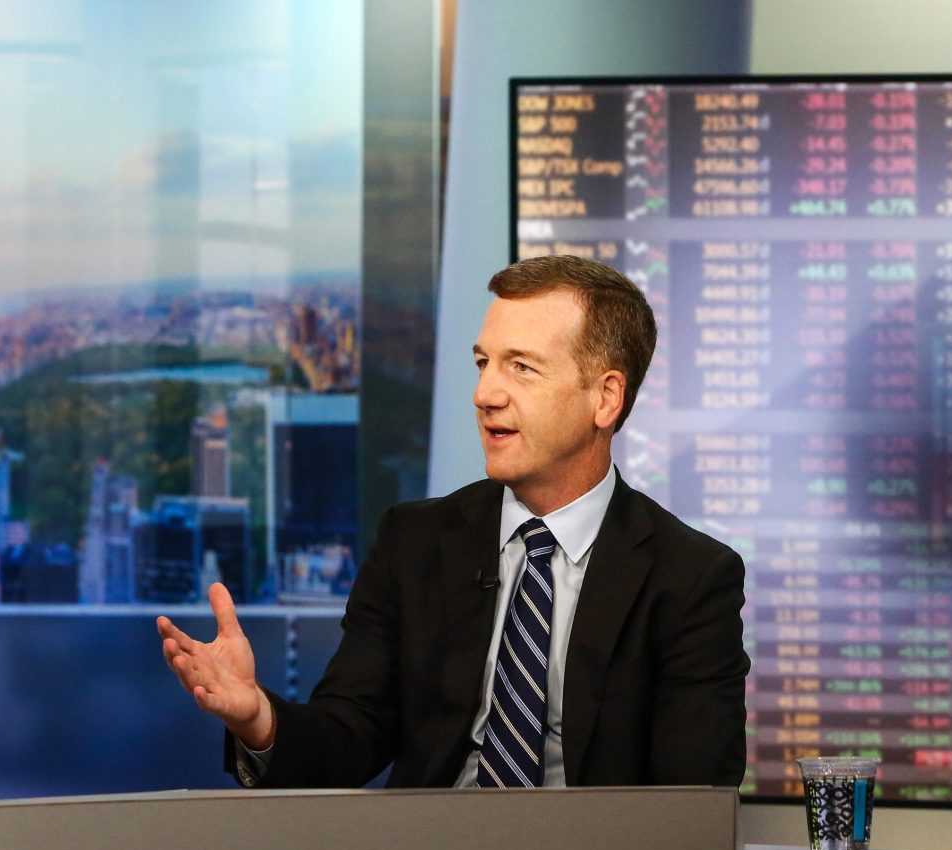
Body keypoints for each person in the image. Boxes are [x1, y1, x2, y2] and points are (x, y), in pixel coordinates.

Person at [159, 255, 750, 788]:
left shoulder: (689, 578)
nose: (485, 393)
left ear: (606, 397)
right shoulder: (414, 543)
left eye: (522, 368)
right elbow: (349, 737)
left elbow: (692, 803)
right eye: (483, 363)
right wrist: (257, 717)